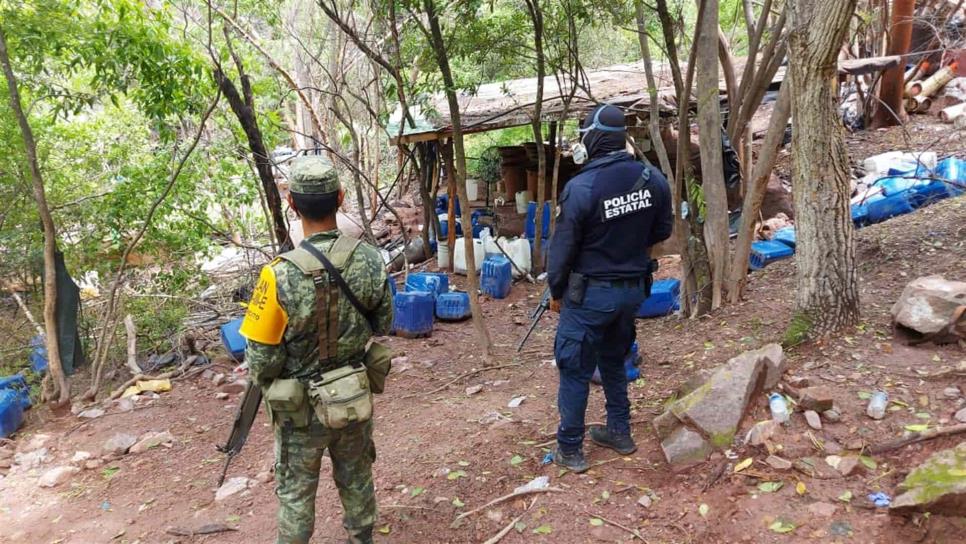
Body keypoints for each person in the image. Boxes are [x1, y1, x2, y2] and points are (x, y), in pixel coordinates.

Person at [239, 156, 393, 544]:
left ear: (292, 204)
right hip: (352, 396)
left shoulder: (276, 275)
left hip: (300, 412)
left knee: (295, 495)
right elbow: (384, 324)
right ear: (340, 199)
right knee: (357, 477)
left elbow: (262, 362)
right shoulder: (371, 260)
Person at [547, 104, 673, 473]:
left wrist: (556, 292)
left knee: (574, 365)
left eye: (585, 134)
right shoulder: (654, 180)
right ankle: (620, 430)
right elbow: (661, 232)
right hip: (633, 292)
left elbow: (562, 250)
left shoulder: (581, 187)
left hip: (590, 296)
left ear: (596, 138)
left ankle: (570, 447)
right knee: (614, 357)